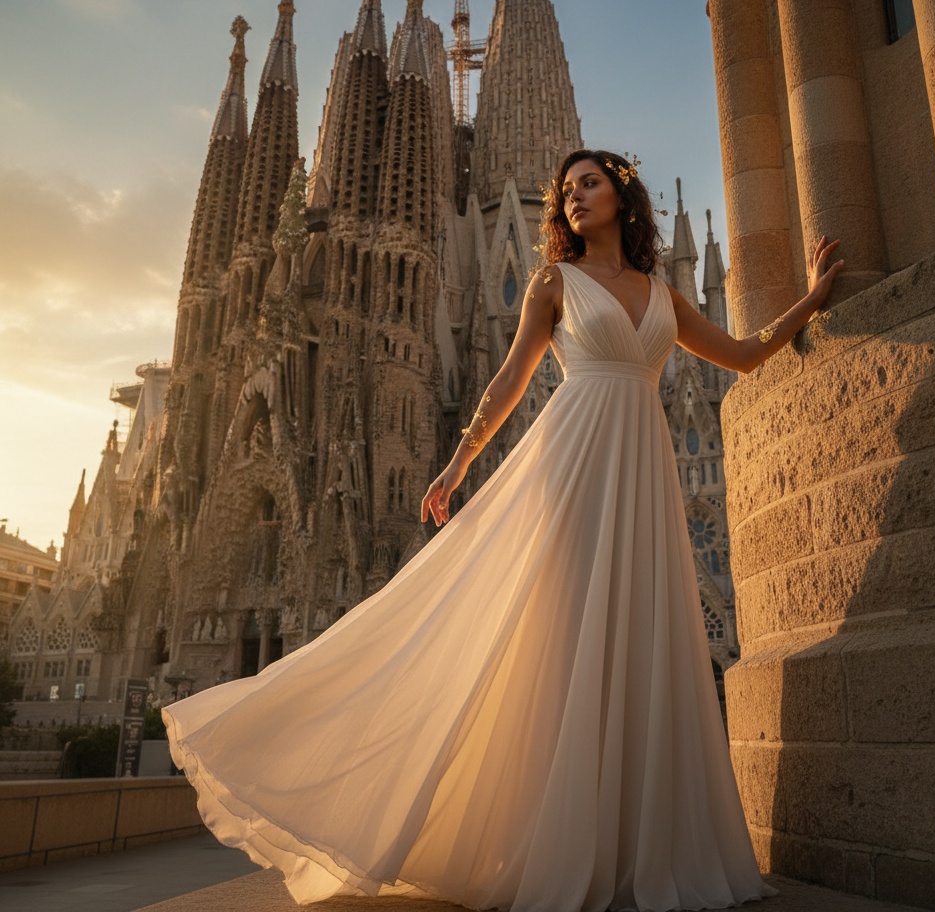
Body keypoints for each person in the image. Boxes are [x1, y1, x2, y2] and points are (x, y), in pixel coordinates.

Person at [163, 149, 842, 911]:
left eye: (590, 183)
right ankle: (552, 840)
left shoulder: (663, 294)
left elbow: (745, 356)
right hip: (573, 465)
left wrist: (813, 299)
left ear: (621, 195)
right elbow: (510, 378)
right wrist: (457, 463)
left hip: (643, 475)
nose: (576, 197)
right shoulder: (553, 282)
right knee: (562, 641)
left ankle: (630, 847)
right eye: (566, 190)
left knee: (641, 638)